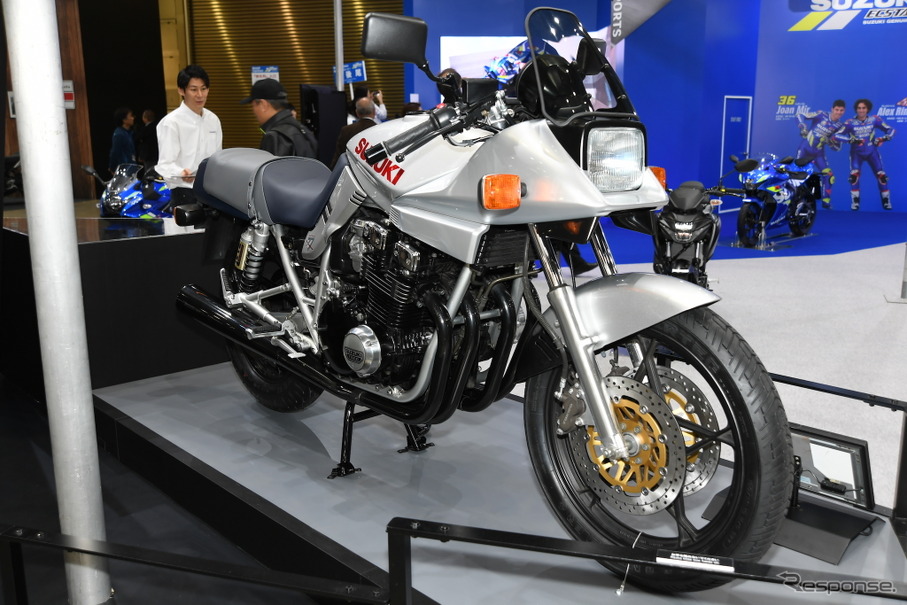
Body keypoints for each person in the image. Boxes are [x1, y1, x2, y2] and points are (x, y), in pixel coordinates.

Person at [155, 64, 223, 207]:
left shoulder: (213, 119)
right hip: (184, 193)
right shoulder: (171, 122)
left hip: (212, 192)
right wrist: (181, 172)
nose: (200, 95)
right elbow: (164, 164)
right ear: (181, 90)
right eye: (193, 89)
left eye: (203, 89)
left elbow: (218, 157)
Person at [835, 98, 896, 210]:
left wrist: (884, 138)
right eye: (859, 108)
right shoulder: (850, 122)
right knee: (854, 176)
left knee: (882, 176)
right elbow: (836, 135)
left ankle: (886, 201)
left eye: (863, 108)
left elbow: (891, 130)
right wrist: (850, 140)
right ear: (856, 109)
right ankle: (855, 202)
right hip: (856, 153)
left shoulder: (874, 119)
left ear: (868, 109)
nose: (861, 110)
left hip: (872, 151)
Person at [240, 78, 316, 158]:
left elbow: (273, 166)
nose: (253, 111)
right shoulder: (302, 129)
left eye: (253, 105)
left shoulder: (275, 136)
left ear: (263, 105)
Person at [795, 100, 845, 209]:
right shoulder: (821, 114)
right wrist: (802, 125)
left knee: (829, 175)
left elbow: (837, 148)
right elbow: (799, 114)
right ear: (832, 109)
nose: (838, 112)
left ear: (844, 111)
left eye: (841, 110)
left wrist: (830, 141)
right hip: (805, 150)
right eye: (837, 110)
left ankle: (826, 202)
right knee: (797, 175)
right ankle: (795, 199)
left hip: (818, 154)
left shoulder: (840, 126)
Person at [331, 97, 377, 169]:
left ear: (357, 113)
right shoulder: (380, 131)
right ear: (374, 112)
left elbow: (338, 159)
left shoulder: (346, 130)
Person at [108, 107, 135, 175]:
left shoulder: (128, 133)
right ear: (124, 120)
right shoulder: (119, 134)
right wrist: (112, 168)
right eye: (130, 116)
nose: (133, 118)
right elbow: (115, 151)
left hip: (131, 167)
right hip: (124, 169)